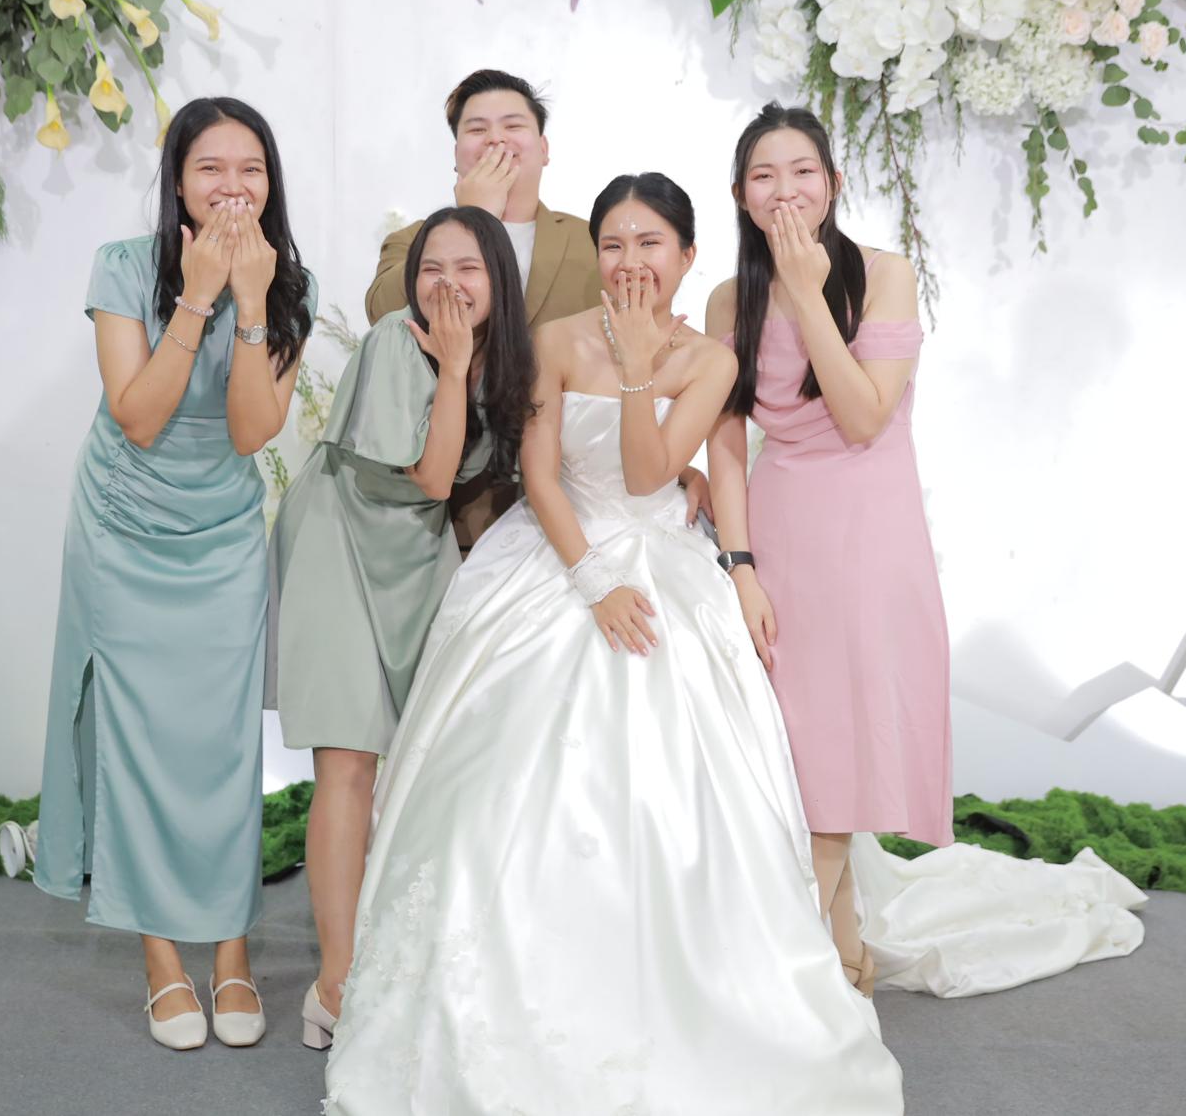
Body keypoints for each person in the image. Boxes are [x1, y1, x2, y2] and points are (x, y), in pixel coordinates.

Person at [320, 173, 905, 1114]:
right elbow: (540, 474)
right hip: (555, 553)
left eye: (651, 244)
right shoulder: (554, 341)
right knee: (498, 774)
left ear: (687, 256)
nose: (631, 261)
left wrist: (636, 368)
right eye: (615, 244)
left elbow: (647, 471)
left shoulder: (710, 360)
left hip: (662, 556)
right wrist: (590, 579)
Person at [34, 96, 315, 1051]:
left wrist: (251, 305)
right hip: (123, 525)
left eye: (251, 169)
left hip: (223, 531)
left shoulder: (290, 287)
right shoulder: (122, 267)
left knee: (226, 746)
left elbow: (249, 430)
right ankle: (162, 960)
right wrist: (196, 297)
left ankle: (232, 956)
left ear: (270, 183)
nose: (233, 186)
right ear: (178, 181)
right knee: (136, 739)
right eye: (211, 168)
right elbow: (141, 415)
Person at [268, 207, 534, 1047]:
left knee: (419, 763)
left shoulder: (505, 357)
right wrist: (451, 369)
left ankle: (395, 952)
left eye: (468, 268)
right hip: (341, 542)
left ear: (500, 280)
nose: (446, 285)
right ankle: (335, 983)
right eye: (431, 268)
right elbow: (431, 477)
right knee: (348, 762)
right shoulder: (397, 339)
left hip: (418, 560)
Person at [705, 103, 950, 995]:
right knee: (794, 746)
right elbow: (726, 443)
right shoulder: (729, 298)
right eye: (764, 176)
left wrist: (808, 293)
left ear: (835, 182)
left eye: (802, 171)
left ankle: (795, 964)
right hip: (778, 532)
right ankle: (842, 949)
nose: (785, 191)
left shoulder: (884, 275)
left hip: (865, 533)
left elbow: (862, 414)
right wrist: (739, 565)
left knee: (837, 741)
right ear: (740, 193)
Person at [364, 70, 607, 544]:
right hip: (444, 515)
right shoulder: (412, 241)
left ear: (544, 148)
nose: (496, 139)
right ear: (457, 154)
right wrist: (474, 218)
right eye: (477, 129)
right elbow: (383, 314)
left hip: (572, 511)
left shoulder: (593, 242)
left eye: (513, 125)